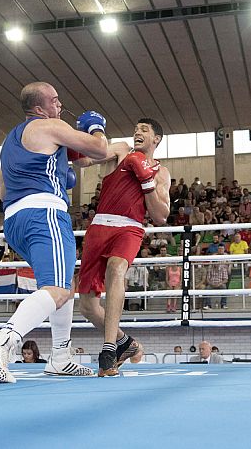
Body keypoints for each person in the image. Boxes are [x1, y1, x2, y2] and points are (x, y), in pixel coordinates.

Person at [0, 82, 108, 383]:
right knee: (57, 290)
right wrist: (95, 127)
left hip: (15, 220)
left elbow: (79, 160)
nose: (60, 106)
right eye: (56, 101)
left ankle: (60, 357)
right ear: (40, 107)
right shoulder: (49, 125)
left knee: (63, 285)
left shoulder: (10, 140)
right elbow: (100, 149)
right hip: (44, 214)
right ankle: (0, 342)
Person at [74, 118, 171, 377]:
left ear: (156, 139)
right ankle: (124, 343)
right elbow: (83, 161)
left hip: (130, 227)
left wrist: (147, 182)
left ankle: (108, 349)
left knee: (117, 268)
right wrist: (82, 135)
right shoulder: (120, 149)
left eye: (144, 130)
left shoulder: (161, 172)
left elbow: (161, 216)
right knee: (87, 306)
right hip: (99, 225)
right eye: (136, 129)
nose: (137, 132)